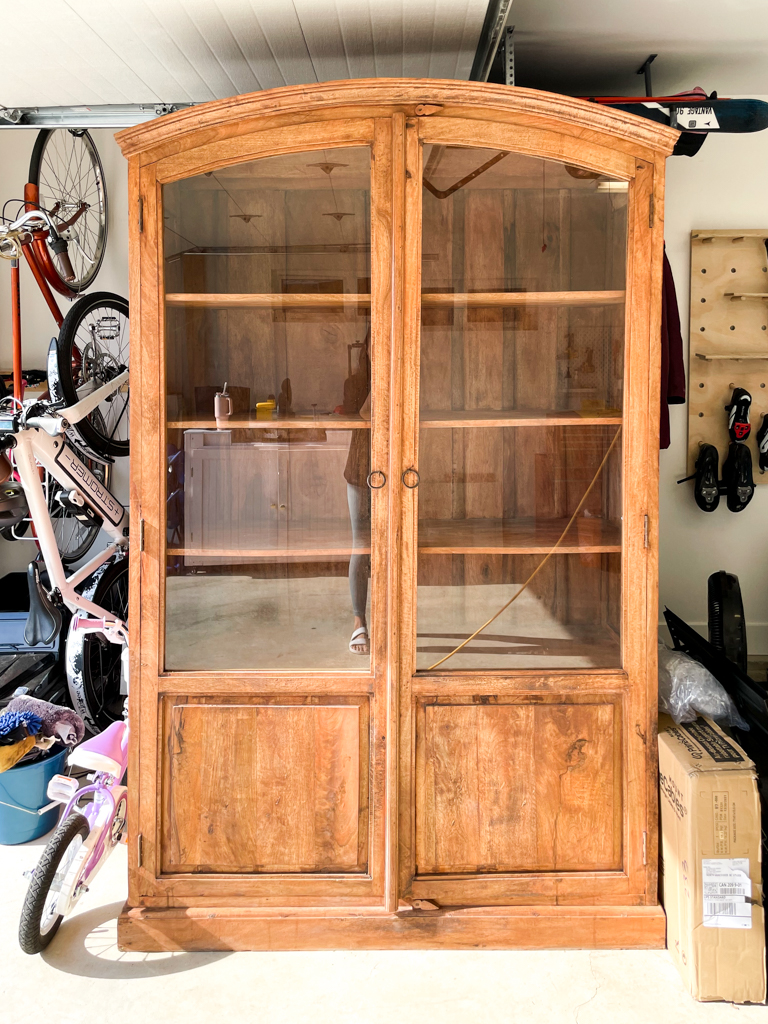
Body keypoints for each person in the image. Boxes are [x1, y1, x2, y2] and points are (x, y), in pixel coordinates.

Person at [342, 329, 371, 655]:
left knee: (395, 546)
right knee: (360, 545)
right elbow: (360, 414)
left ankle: (396, 620)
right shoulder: (354, 382)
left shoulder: (408, 372)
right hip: (360, 469)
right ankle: (358, 621)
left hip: (397, 471)